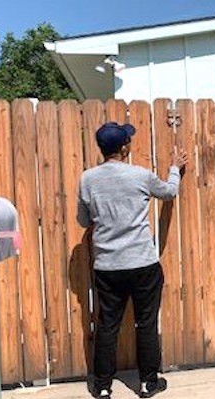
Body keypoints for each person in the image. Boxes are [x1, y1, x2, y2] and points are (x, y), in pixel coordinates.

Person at [77, 122, 187, 399]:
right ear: (125, 147)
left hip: (108, 266)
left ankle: (102, 387)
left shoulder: (88, 179)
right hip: (142, 263)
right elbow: (169, 192)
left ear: (101, 148)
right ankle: (149, 383)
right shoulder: (140, 175)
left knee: (107, 325)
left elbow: (82, 220)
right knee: (146, 323)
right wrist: (174, 168)